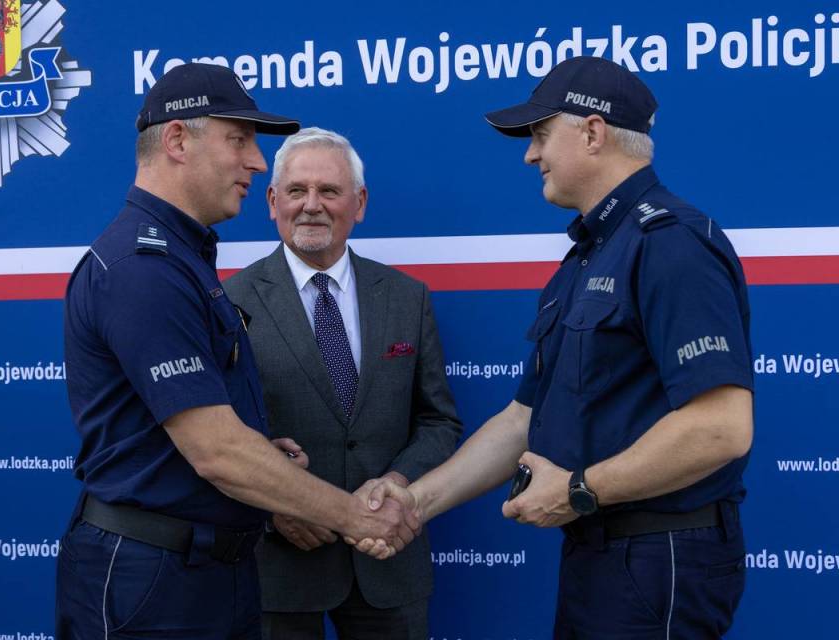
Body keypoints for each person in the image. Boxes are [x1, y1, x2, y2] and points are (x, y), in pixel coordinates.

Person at [359, 56, 754, 638]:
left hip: (659, 554)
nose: (530, 155)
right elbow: (523, 419)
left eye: (541, 135)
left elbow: (721, 428)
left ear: (592, 132)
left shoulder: (669, 244)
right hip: (599, 551)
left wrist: (578, 490)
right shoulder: (589, 257)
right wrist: (414, 502)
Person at [55, 64, 416, 640]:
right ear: (178, 140)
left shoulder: (183, 259)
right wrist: (353, 516)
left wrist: (262, 455)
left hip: (208, 570)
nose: (256, 162)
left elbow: (187, 428)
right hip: (154, 581)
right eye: (239, 140)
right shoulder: (142, 270)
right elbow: (217, 451)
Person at [224, 127, 462, 640]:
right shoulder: (230, 302)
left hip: (388, 562)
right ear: (273, 202)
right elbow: (217, 439)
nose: (312, 205)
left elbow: (438, 421)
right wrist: (274, 508)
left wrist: (399, 484)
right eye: (297, 191)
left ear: (360, 203)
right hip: (279, 569)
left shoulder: (406, 297)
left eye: (329, 191)